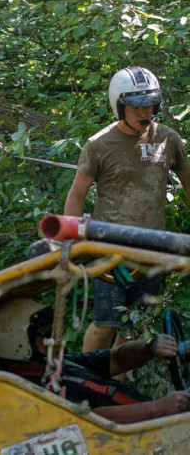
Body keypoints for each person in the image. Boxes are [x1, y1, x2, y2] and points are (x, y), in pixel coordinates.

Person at [64, 67, 190, 352]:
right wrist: (73, 240)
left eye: (149, 105)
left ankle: (120, 384)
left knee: (137, 324)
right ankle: (87, 376)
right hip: (111, 251)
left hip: (153, 247)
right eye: (135, 106)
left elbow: (189, 183)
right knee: (107, 321)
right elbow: (76, 196)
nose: (144, 112)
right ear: (120, 106)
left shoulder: (168, 139)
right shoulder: (98, 145)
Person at [0, 297, 188, 424]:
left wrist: (150, 346)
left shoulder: (60, 364)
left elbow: (115, 358)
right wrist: (160, 408)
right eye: (46, 334)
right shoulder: (25, 392)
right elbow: (89, 421)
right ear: (17, 342)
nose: (56, 340)